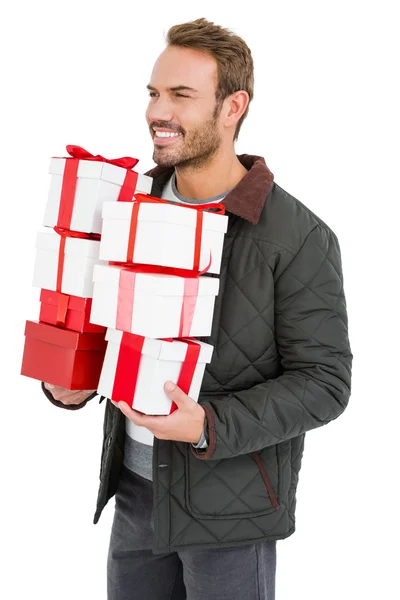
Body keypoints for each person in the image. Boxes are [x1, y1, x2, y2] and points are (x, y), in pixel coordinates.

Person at [42, 17, 353, 600]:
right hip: (134, 494)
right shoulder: (122, 206)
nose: (159, 111)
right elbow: (100, 326)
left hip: (229, 513)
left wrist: (207, 425)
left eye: (182, 96)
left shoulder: (299, 237)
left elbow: (326, 383)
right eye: (155, 93)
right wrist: (70, 383)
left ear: (233, 106)